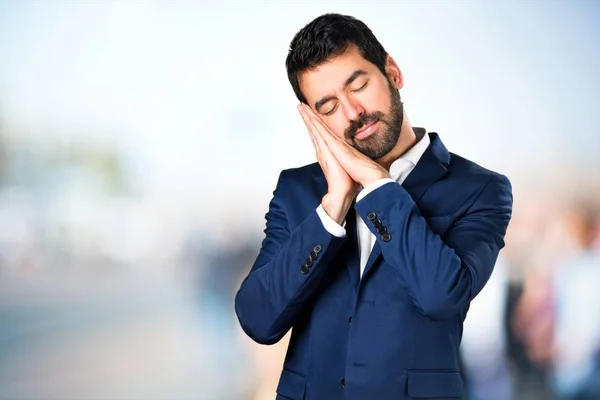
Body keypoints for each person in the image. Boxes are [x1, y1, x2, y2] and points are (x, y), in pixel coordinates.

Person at [234, 13, 513, 400]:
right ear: (314, 121)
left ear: (392, 73)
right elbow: (258, 319)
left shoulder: (481, 190)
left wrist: (378, 185)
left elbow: (441, 296)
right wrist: (332, 207)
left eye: (359, 85)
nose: (352, 113)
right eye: (328, 107)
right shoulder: (298, 190)